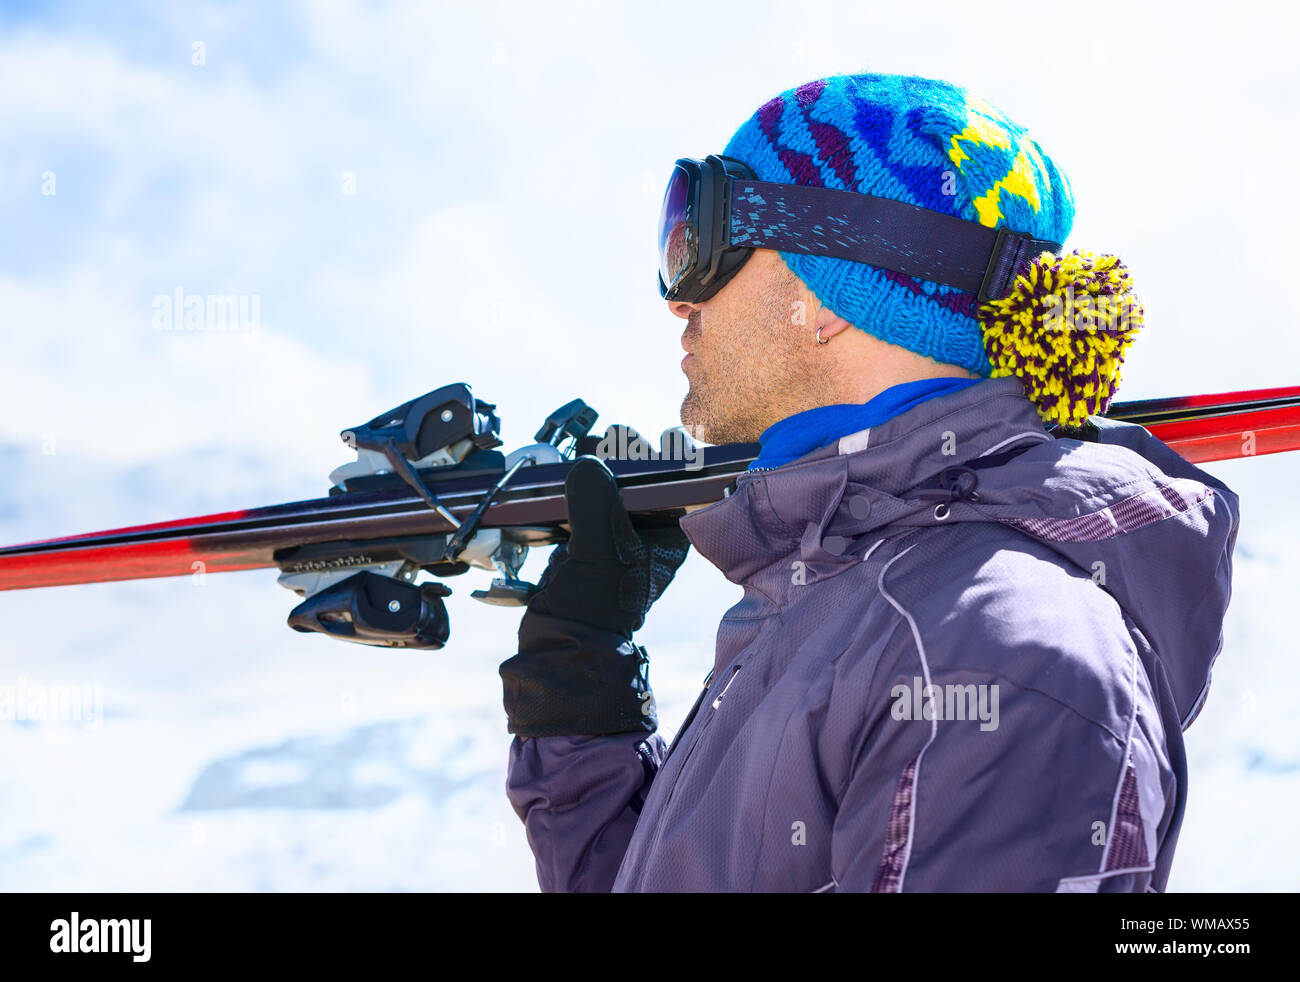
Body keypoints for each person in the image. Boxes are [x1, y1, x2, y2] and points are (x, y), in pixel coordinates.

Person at [498, 72, 1239, 892]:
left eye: (703, 241)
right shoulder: (843, 594)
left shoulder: (989, 653)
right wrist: (582, 698)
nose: (683, 302)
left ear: (831, 297)